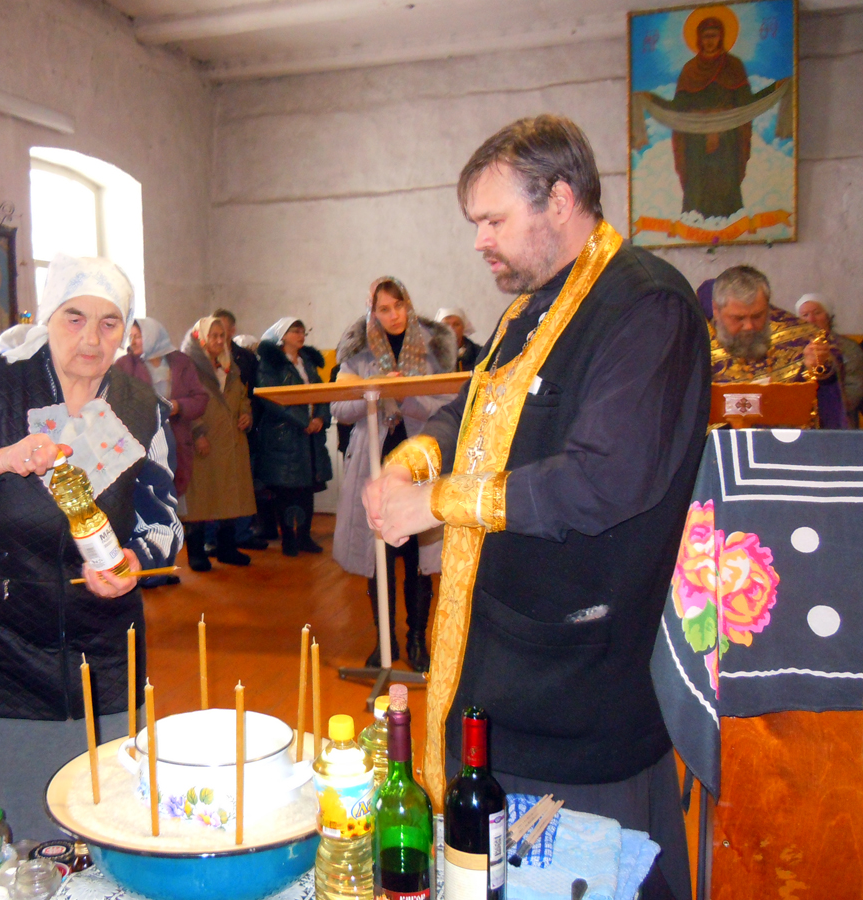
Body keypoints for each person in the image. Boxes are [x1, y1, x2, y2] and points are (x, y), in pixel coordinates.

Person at [366, 116, 709, 900]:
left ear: (559, 199)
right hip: (505, 663)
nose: (479, 241)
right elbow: (476, 406)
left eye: (493, 220)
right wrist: (411, 462)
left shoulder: (646, 305)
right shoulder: (532, 305)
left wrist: (437, 502)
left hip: (579, 681)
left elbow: (603, 481)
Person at [0, 254, 180, 841]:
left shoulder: (140, 408)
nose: (91, 339)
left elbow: (165, 521)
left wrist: (135, 561)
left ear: (125, 331)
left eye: (108, 323)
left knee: (105, 820)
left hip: (101, 650)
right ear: (48, 318)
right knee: (9, 831)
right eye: (75, 318)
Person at [332, 278, 455, 674]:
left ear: (408, 304)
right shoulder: (358, 353)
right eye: (384, 309)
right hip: (375, 464)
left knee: (419, 557)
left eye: (398, 305)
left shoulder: (434, 350)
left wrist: (407, 398)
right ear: (373, 312)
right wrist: (375, 392)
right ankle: (384, 640)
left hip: (420, 465)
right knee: (379, 557)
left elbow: (450, 406)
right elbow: (338, 409)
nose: (394, 315)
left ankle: (417, 638)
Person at [116, 317, 209, 579]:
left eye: (138, 336)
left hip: (178, 440)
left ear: (153, 336)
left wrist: (178, 406)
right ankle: (146, 566)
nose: (133, 341)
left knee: (173, 503)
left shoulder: (181, 363)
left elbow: (200, 398)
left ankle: (166, 563)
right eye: (131, 336)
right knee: (147, 502)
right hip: (141, 443)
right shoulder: (123, 365)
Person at [709, 265, 848, 428]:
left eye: (757, 316)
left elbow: (827, 400)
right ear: (716, 310)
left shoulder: (799, 339)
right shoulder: (697, 349)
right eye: (738, 318)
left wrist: (821, 366)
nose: (749, 326)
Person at [180, 316, 257, 570]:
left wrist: (246, 413)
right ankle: (196, 552)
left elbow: (242, 396)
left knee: (229, 495)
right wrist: (197, 433)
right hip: (204, 441)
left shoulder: (229, 365)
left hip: (231, 439)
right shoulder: (189, 367)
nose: (219, 340)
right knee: (201, 498)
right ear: (200, 337)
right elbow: (185, 403)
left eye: (222, 335)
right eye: (213, 335)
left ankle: (227, 548)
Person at [254, 318, 332, 556]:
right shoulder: (271, 364)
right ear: (282, 336)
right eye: (295, 331)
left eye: (302, 331)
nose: (301, 335)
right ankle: (289, 539)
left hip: (310, 436)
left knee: (307, 489)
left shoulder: (307, 362)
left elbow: (321, 393)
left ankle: (304, 536)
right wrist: (303, 421)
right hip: (284, 435)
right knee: (286, 491)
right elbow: (273, 400)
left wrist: (320, 418)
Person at [670, 11, 754, 219]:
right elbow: (679, 107)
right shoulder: (690, 70)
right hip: (696, 139)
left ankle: (730, 220)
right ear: (699, 38)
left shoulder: (733, 66)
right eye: (706, 36)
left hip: (727, 137)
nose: (709, 41)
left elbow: (745, 103)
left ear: (721, 36)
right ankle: (693, 222)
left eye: (714, 35)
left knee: (725, 179)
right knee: (697, 180)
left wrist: (721, 116)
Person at [211, 308, 269, 551]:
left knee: (243, 484)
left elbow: (252, 393)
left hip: (242, 432)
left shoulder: (245, 358)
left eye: (223, 330)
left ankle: (241, 534)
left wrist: (249, 415)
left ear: (232, 330)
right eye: (214, 331)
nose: (219, 335)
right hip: (214, 435)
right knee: (215, 487)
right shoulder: (202, 360)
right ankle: (213, 539)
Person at [796, 292, 863, 427]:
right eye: (805, 315)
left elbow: (855, 389)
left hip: (840, 421)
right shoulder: (791, 351)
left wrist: (824, 408)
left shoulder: (848, 348)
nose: (811, 319)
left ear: (828, 316)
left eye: (817, 313)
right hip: (800, 422)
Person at [434, 307, 482, 371]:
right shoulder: (431, 355)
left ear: (463, 328)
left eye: (456, 324)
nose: (451, 329)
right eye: (446, 325)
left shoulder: (479, 354)